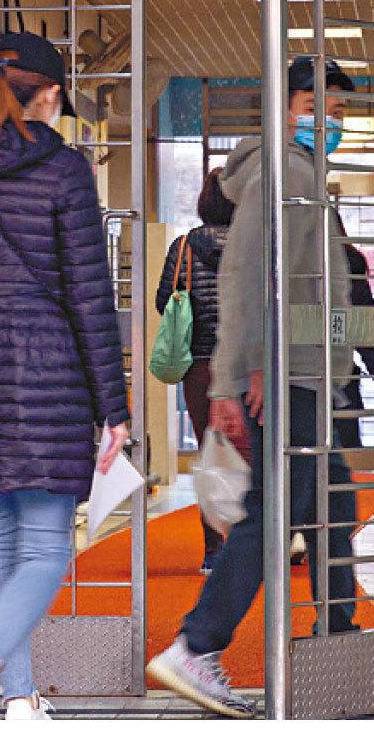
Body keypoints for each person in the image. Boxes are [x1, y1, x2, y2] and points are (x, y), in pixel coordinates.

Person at [0, 32, 131, 721]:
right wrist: (113, 406)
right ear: (48, 95)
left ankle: (15, 702)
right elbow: (88, 295)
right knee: (45, 547)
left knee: (2, 545)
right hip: (45, 370)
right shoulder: (63, 170)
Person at [146, 56, 360, 718]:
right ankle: (196, 645)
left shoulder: (300, 174)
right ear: (284, 107)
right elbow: (247, 278)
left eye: (338, 110)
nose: (331, 120)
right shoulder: (283, 174)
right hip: (287, 376)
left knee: (331, 504)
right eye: (317, 106)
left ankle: (338, 639)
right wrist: (241, 376)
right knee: (273, 518)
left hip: (306, 372)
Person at [154, 168, 234, 574]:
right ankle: (252, 540)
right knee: (253, 450)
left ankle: (213, 549)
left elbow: (163, 300)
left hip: (199, 365)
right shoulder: (257, 243)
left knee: (208, 453)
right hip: (246, 364)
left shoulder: (183, 246)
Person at [335, 230, 374, 451]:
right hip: (342, 379)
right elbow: (367, 334)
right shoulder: (350, 268)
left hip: (303, 381)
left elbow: (365, 331)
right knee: (346, 452)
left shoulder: (291, 269)